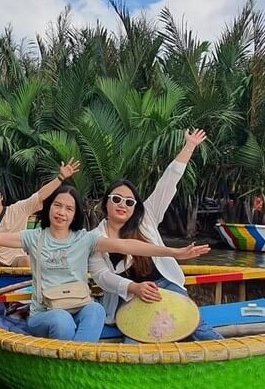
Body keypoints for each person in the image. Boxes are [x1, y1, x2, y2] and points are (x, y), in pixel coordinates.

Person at [0, 186, 211, 342]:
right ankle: (74, 361)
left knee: (96, 308)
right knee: (59, 320)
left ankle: (74, 360)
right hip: (45, 313)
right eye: (58, 205)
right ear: (50, 210)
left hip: (79, 308)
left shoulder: (86, 239)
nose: (62, 211)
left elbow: (128, 245)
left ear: (76, 214)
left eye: (69, 208)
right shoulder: (34, 238)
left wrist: (175, 253)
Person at [88, 129, 220, 340]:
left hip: (165, 286)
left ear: (135, 206)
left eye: (129, 202)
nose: (123, 205)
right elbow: (102, 277)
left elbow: (167, 183)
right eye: (116, 199)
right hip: (130, 294)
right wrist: (134, 287)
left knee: (197, 328)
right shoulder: (95, 237)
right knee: (136, 339)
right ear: (106, 202)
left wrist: (190, 146)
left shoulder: (146, 217)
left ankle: (229, 360)